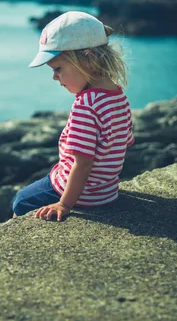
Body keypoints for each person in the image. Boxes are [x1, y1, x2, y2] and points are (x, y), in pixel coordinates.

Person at [12, 11, 134, 222]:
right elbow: (125, 142)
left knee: (21, 200)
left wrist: (64, 203)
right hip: (107, 193)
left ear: (88, 60)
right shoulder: (117, 94)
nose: (54, 77)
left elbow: (83, 163)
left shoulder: (86, 104)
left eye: (58, 69)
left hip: (83, 195)